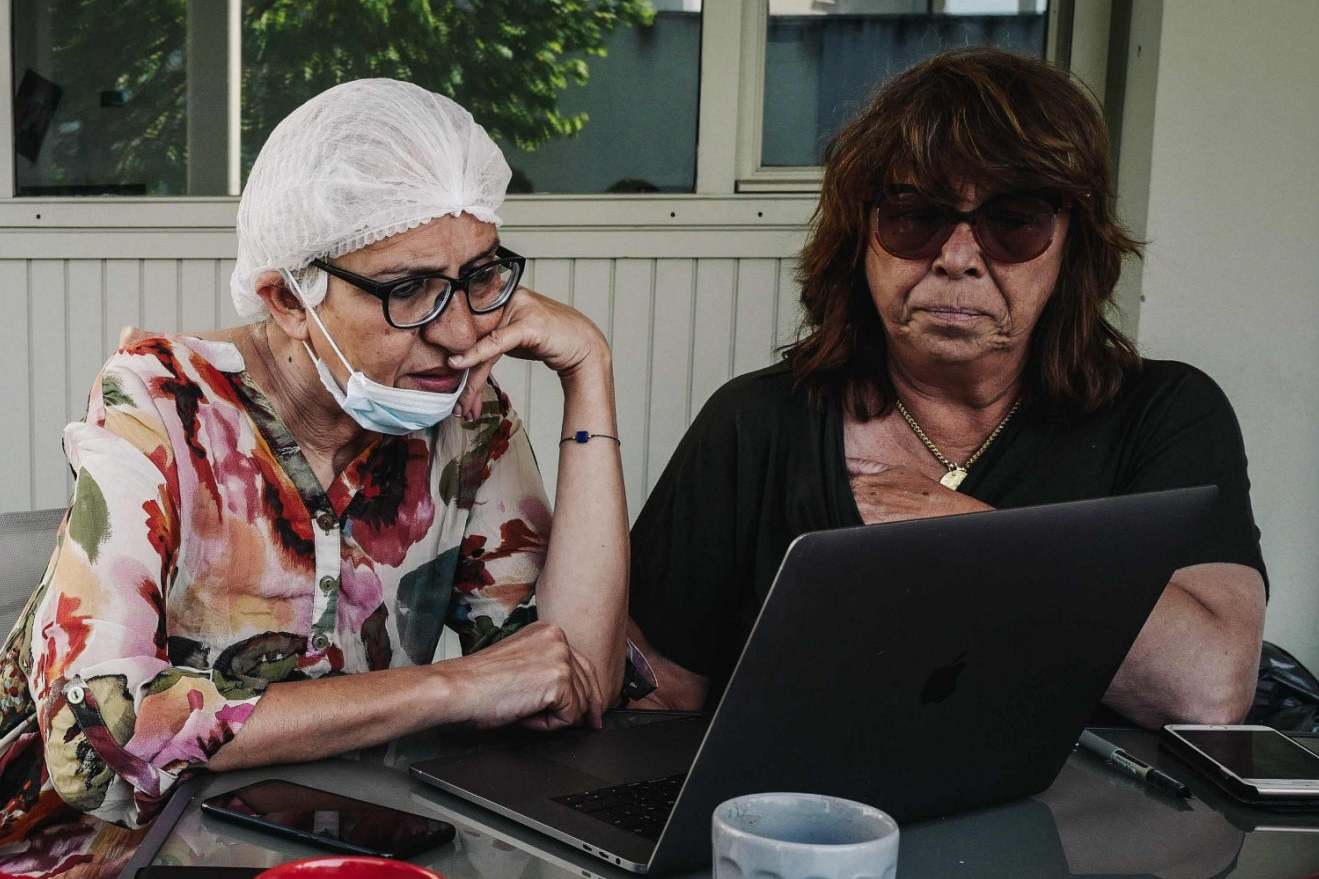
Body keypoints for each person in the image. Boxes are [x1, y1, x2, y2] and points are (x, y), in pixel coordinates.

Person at [0, 79, 628, 875]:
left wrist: (589, 370)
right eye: (410, 289)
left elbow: (571, 679)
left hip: (344, 845)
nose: (464, 329)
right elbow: (99, 733)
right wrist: (452, 687)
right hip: (103, 856)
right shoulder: (161, 401)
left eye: (479, 275)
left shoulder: (466, 414)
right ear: (287, 296)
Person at [627, 48, 1267, 729]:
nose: (956, 258)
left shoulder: (1162, 414)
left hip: (1070, 829)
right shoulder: (755, 422)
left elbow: (1207, 689)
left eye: (1012, 221)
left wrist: (963, 534)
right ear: (859, 238)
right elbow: (658, 695)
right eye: (914, 215)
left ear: (1071, 247)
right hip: (812, 827)